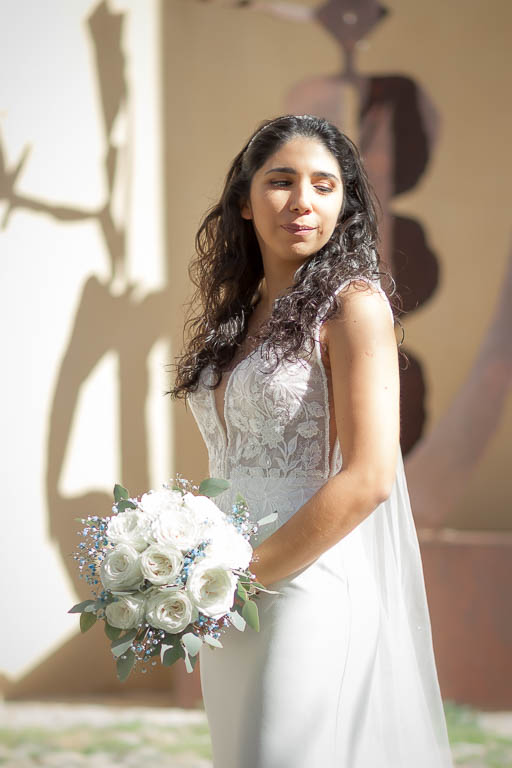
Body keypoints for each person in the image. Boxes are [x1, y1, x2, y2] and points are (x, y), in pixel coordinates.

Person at [169, 114, 453, 768]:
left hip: (306, 585)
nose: (303, 201)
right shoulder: (235, 319)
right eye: (281, 181)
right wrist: (191, 564)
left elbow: (371, 475)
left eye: (325, 185)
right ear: (244, 200)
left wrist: (244, 576)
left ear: (344, 205)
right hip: (226, 596)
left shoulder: (353, 307)